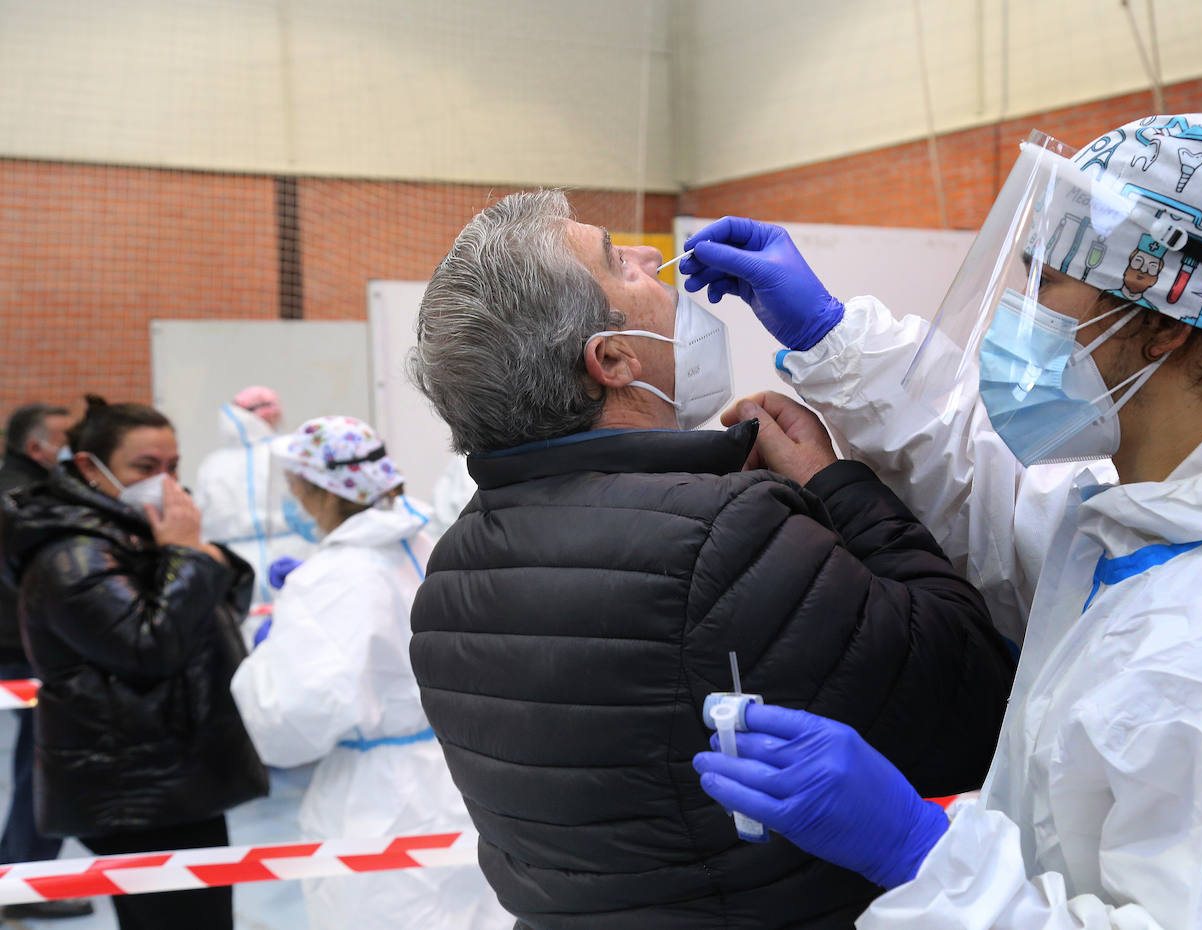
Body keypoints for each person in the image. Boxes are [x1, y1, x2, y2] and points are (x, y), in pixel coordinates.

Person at [685, 113, 1202, 927]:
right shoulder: (1167, 516)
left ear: (1162, 324)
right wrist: (832, 338)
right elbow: (991, 493)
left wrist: (927, 859)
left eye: (1047, 283)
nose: (1022, 314)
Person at [406, 189, 1015, 929]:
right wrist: (833, 482)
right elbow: (973, 689)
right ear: (613, 359)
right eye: (617, 264)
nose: (644, 254)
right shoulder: (724, 534)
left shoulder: (452, 573)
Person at [229, 416, 510, 930]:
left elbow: (292, 720)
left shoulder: (331, 578)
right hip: (465, 775)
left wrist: (266, 662)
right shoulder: (431, 544)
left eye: (294, 487)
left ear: (319, 492)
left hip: (379, 799)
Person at [0, 395, 268, 930]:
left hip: (172, 773)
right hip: (137, 788)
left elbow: (218, 608)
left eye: (172, 466)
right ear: (89, 468)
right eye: (145, 468)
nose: (165, 481)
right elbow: (150, 647)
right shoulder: (71, 555)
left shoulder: (137, 528)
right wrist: (190, 557)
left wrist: (202, 561)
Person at [0, 403, 92, 921]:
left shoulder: (22, 489)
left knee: (35, 760)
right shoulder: (23, 499)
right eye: (63, 439)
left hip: (21, 646)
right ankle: (29, 883)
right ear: (36, 447)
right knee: (45, 764)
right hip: (23, 651)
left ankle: (14, 868)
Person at [194, 386, 315, 605]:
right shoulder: (288, 451)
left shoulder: (213, 464)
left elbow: (201, 519)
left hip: (236, 566)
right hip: (290, 557)